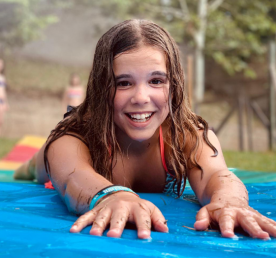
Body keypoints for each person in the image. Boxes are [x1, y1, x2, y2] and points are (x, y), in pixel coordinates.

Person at [14, 19, 276, 240]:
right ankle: (25, 164)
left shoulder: (186, 134)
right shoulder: (77, 135)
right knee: (38, 164)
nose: (141, 97)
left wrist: (230, 201)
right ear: (101, 88)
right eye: (124, 83)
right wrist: (112, 196)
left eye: (156, 80)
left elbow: (216, 176)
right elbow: (73, 177)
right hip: (66, 150)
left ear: (174, 85)